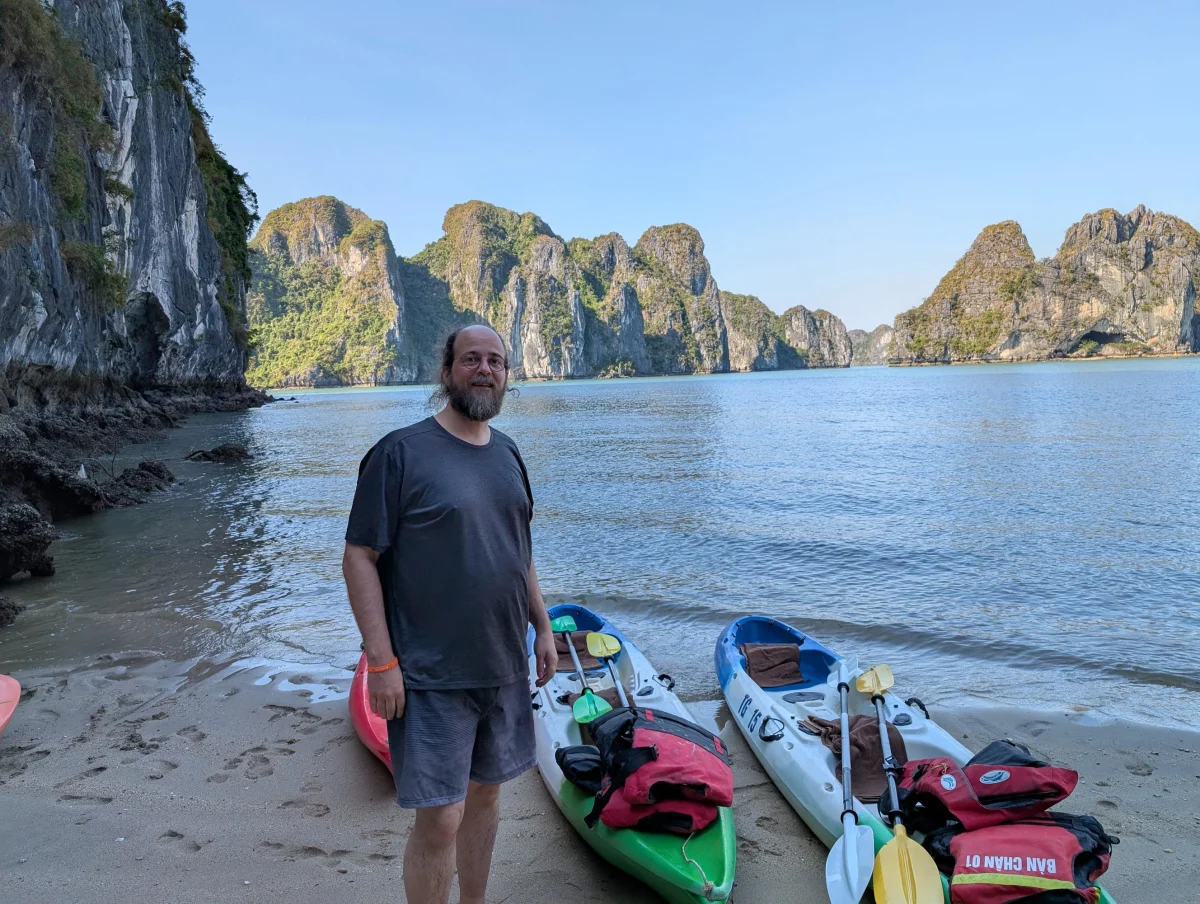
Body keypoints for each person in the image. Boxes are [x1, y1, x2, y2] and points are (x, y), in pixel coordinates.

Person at [342, 324, 558, 904]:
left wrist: (543, 626)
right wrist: (381, 661)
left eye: (496, 361)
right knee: (440, 818)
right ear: (446, 372)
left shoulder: (509, 452)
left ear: (508, 375)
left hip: (503, 663)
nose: (484, 369)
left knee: (487, 798)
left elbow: (520, 549)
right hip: (430, 673)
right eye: (471, 359)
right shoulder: (399, 452)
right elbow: (359, 557)